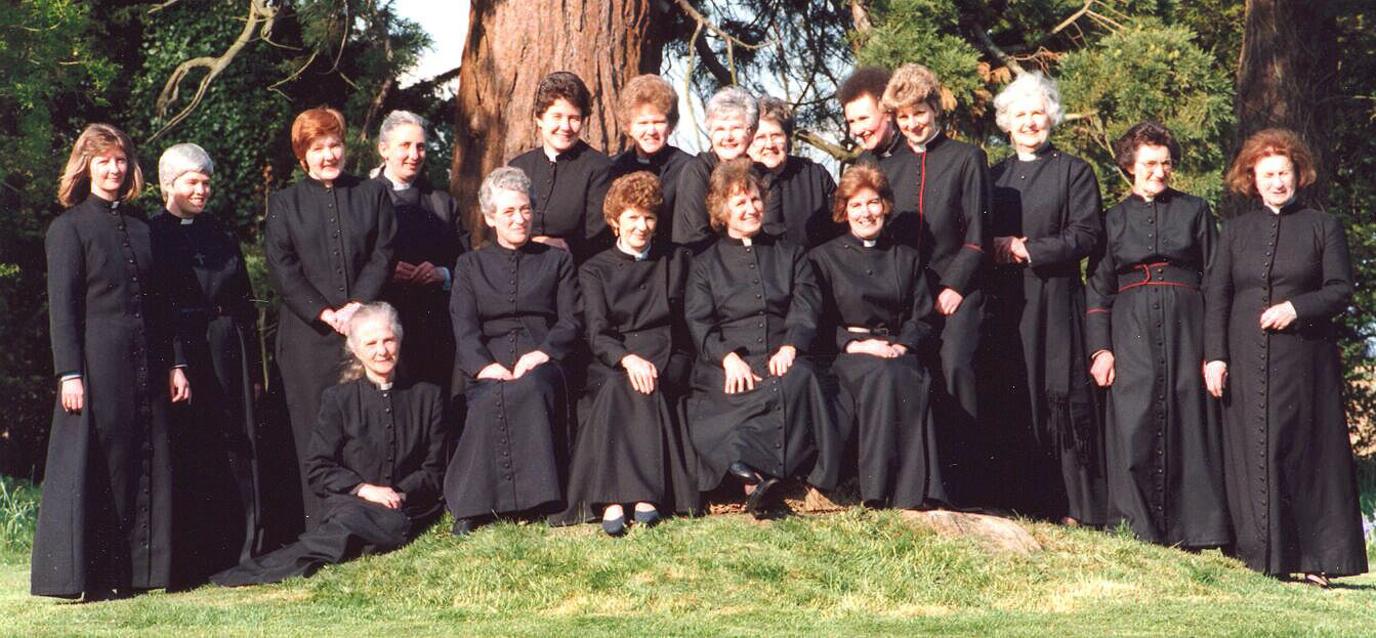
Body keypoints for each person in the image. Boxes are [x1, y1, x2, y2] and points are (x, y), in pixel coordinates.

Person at [32, 124, 191, 600]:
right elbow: (63, 308)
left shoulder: (144, 230)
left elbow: (164, 306)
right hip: (96, 364)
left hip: (147, 360)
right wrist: (70, 373)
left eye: (120, 160)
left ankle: (143, 572)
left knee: (143, 459)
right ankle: (91, 576)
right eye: (103, 160)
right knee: (100, 463)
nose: (113, 169)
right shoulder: (68, 229)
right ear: (87, 165)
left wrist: (176, 364)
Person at [1205, 129, 1368, 585]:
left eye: (1285, 173)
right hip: (1243, 355)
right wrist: (1214, 357)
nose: (1277, 182)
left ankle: (1315, 560)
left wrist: (1296, 308)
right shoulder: (1235, 231)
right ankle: (1262, 559)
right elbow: (1217, 296)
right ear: (1252, 180)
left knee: (1302, 452)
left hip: (1304, 359)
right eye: (1268, 175)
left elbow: (1340, 290)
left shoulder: (1322, 226)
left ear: (1299, 175)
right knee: (1254, 453)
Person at [211, 302, 447, 586]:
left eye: (388, 340)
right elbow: (319, 467)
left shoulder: (428, 396)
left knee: (388, 523)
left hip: (406, 505)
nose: (381, 351)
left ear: (400, 340)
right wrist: (365, 489)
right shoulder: (338, 399)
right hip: (353, 503)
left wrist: (401, 493)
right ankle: (249, 575)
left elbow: (434, 467)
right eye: (370, 343)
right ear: (356, 351)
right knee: (355, 520)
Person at [1085, 122, 1230, 548]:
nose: (1159, 172)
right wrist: (1101, 349)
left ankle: (1199, 531)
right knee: (1134, 418)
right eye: (1150, 163)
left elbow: (1217, 282)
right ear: (1130, 165)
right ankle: (1136, 527)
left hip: (1189, 323)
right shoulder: (1111, 220)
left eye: (1166, 163)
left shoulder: (1196, 211)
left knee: (1191, 417)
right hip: (1130, 327)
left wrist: (1215, 349)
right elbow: (1097, 289)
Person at [684, 158, 840, 515]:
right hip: (728, 357)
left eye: (754, 200)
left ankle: (763, 476)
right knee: (729, 394)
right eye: (740, 203)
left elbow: (805, 304)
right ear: (722, 211)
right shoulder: (705, 263)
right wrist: (727, 357)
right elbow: (698, 320)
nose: (750, 208)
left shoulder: (791, 252)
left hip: (779, 350)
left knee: (795, 380)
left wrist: (790, 345)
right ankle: (752, 474)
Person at [266, 107, 396, 531]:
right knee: (312, 430)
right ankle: (316, 525)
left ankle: (368, 519)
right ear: (303, 156)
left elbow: (384, 252)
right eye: (318, 148)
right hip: (309, 338)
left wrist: (358, 305)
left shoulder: (372, 194)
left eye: (335, 145)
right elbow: (283, 267)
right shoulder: (285, 203)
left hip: (365, 330)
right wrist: (325, 313)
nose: (329, 155)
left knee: (363, 424)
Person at [983, 73, 1105, 525]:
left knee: (1060, 397)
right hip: (1006, 301)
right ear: (1006, 123)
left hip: (1054, 297)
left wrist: (1026, 248)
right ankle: (1022, 501)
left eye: (1038, 112)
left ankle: (1073, 507)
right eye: (1021, 114)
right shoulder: (992, 175)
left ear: (1052, 116)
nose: (1031, 122)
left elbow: (1087, 234)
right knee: (1013, 394)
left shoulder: (1074, 171)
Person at [556, 172, 700, 536]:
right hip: (614, 354)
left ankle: (637, 497)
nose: (642, 226)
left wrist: (655, 359)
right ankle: (618, 499)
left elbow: (684, 322)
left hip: (667, 351)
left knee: (646, 381)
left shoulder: (676, 260)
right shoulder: (594, 269)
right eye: (632, 217)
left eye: (649, 217)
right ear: (615, 221)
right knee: (619, 385)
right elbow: (596, 331)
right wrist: (626, 358)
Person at [149, 143, 266, 585]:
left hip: (228, 349)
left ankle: (241, 547)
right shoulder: (153, 234)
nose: (202, 190)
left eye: (206, 181)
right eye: (192, 182)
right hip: (185, 353)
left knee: (236, 444)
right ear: (168, 185)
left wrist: (253, 370)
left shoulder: (219, 230)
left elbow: (245, 301)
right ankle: (194, 556)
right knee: (194, 449)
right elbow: (158, 305)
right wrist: (174, 362)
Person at [876, 64, 989, 506]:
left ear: (934, 108)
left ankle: (965, 488)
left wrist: (955, 286)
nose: (912, 124)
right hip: (908, 297)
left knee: (956, 369)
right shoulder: (890, 166)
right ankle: (919, 484)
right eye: (903, 117)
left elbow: (979, 235)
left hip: (959, 291)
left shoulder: (966, 158)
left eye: (918, 113)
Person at [445, 167, 581, 534]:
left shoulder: (557, 260)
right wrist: (482, 366)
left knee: (532, 389)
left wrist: (543, 353)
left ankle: (540, 498)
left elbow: (571, 320)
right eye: (508, 212)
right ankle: (473, 506)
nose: (519, 219)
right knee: (490, 397)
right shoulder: (469, 265)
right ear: (490, 218)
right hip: (488, 360)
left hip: (542, 357)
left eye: (524, 209)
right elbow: (464, 324)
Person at [809, 165, 944, 508]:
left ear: (885, 205)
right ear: (843, 211)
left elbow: (923, 315)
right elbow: (816, 320)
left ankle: (915, 492)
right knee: (883, 375)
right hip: (848, 352)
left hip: (896, 348)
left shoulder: (906, 257)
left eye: (872, 203)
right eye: (856, 205)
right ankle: (875, 491)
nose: (866, 212)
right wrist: (854, 343)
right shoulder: (822, 258)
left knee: (907, 373)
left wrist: (902, 344)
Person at [373, 110, 466, 389]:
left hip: (433, 326)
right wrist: (385, 271)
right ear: (384, 149)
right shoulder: (362, 199)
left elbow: (466, 260)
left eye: (421, 146)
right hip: (382, 326)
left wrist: (443, 274)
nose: (414, 155)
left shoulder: (442, 203)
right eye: (405, 145)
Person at [508, 71, 612, 262]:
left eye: (574, 118)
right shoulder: (517, 168)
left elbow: (598, 235)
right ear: (539, 118)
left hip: (574, 272)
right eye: (557, 116)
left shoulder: (599, 168)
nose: (565, 126)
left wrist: (563, 246)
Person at [747, 96, 842, 249]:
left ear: (788, 138)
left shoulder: (816, 176)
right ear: (749, 141)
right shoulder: (739, 182)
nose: (769, 144)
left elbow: (841, 230)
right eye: (761, 138)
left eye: (776, 136)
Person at [672, 86, 758, 253]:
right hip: (708, 267)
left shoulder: (759, 174)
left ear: (751, 132)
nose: (728, 137)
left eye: (735, 128)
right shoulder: (697, 171)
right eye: (720, 129)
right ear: (710, 133)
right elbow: (695, 235)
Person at [609, 74, 693, 235]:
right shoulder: (614, 168)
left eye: (659, 122)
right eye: (643, 123)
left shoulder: (687, 168)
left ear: (670, 125)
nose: (651, 131)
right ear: (629, 127)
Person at [840, 66, 902, 163]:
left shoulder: (918, 151)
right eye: (851, 121)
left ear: (888, 113)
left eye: (863, 118)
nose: (857, 130)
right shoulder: (863, 164)